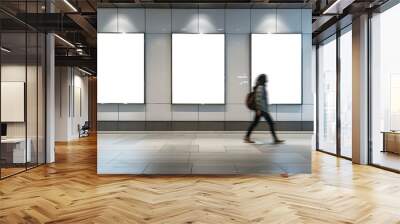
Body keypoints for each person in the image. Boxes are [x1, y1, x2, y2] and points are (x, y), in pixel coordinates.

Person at [244, 74, 284, 144]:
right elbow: (258, 99)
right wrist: (259, 109)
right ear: (263, 79)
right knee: (270, 123)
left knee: (255, 123)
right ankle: (275, 139)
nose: (267, 79)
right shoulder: (261, 87)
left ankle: (247, 137)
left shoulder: (261, 87)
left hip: (262, 109)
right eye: (266, 78)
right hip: (262, 110)